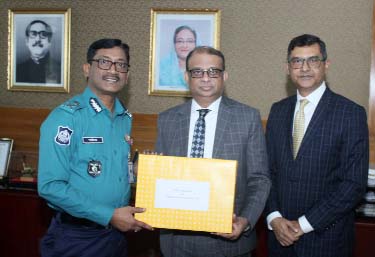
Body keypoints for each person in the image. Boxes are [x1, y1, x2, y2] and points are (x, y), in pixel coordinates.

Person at [38, 38, 152, 257]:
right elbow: (50, 186)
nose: (113, 70)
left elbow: (111, 172)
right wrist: (109, 215)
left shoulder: (123, 118)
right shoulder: (66, 118)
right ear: (87, 69)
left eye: (121, 64)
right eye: (104, 62)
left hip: (116, 235)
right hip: (77, 238)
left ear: (127, 76)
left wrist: (137, 173)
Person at [155, 46, 271, 257]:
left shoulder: (248, 118)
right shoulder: (167, 119)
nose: (205, 78)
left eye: (213, 71)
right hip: (177, 240)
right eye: (197, 71)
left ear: (224, 76)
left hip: (229, 240)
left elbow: (259, 179)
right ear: (186, 76)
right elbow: (160, 177)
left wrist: (244, 221)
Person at [265, 34, 369, 257]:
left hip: (326, 240)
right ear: (288, 67)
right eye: (297, 61)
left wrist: (302, 225)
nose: (304, 68)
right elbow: (267, 172)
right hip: (278, 239)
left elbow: (353, 185)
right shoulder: (277, 111)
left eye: (313, 60)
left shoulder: (350, 113)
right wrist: (274, 217)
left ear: (326, 65)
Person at [16, 20, 61, 84]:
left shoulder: (60, 70)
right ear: (26, 41)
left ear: (50, 41)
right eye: (33, 34)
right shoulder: (17, 70)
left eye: (43, 34)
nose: (37, 39)